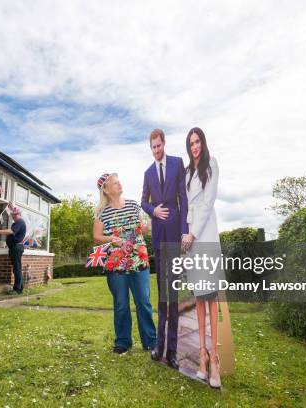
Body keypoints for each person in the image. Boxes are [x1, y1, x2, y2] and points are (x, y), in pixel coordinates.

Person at [141, 129, 189, 369]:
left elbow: (183, 198)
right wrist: (153, 211)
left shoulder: (177, 164)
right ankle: (159, 346)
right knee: (162, 293)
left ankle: (172, 351)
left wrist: (183, 231)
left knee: (173, 295)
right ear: (150, 148)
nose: (157, 150)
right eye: (153, 147)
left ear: (164, 144)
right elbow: (143, 201)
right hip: (159, 236)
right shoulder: (148, 173)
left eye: (159, 146)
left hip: (174, 236)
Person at [93, 173, 157, 354]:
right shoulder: (101, 212)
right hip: (115, 265)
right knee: (121, 303)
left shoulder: (133, 204)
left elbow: (144, 228)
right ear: (105, 190)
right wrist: (111, 238)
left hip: (139, 260)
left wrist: (147, 227)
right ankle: (123, 342)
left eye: (118, 181)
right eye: (114, 183)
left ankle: (151, 342)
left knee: (143, 302)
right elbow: (97, 237)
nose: (119, 184)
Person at [182, 127, 225, 388]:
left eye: (197, 142)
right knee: (199, 296)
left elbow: (207, 203)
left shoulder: (212, 165)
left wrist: (194, 233)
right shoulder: (187, 173)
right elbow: (186, 205)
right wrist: (186, 234)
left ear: (203, 143)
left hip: (205, 234)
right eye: (191, 143)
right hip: (191, 237)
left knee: (211, 299)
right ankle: (201, 356)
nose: (195, 146)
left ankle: (216, 359)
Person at [0, 205, 27, 294]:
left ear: (18, 214)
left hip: (16, 248)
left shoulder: (20, 222)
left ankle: (17, 289)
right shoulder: (17, 222)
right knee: (16, 268)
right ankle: (19, 288)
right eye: (12, 215)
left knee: (17, 268)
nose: (13, 216)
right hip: (14, 247)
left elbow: (11, 231)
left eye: (14, 215)